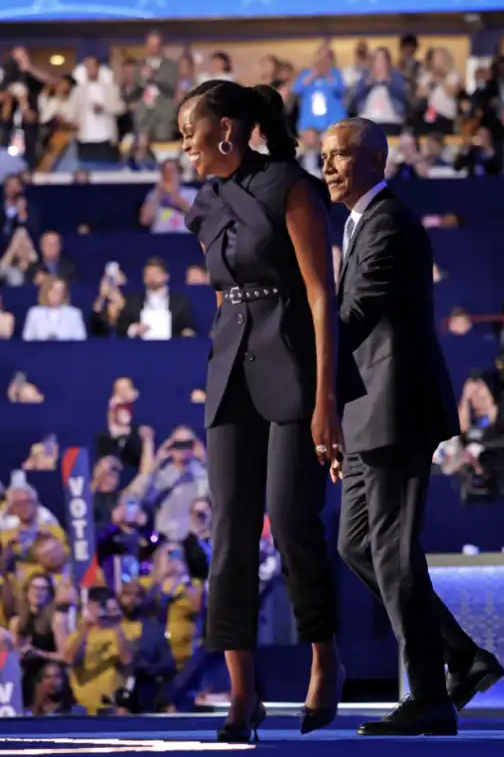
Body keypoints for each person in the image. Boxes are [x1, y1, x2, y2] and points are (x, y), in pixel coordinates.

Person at [322, 117, 504, 737]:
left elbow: (351, 316)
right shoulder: (357, 223)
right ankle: (463, 657)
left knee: (393, 552)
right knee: (356, 545)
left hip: (396, 408)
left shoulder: (390, 222)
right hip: (365, 410)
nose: (328, 167)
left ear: (376, 159)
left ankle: (428, 696)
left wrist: (291, 325)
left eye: (340, 155)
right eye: (324, 156)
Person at [180, 80, 343, 742]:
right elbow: (224, 297)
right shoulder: (204, 202)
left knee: (291, 518)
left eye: (188, 132)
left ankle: (325, 658)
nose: (183, 146)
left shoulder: (291, 186)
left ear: (225, 130)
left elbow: (321, 296)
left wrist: (327, 398)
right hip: (231, 372)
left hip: (295, 364)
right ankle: (242, 695)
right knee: (229, 535)